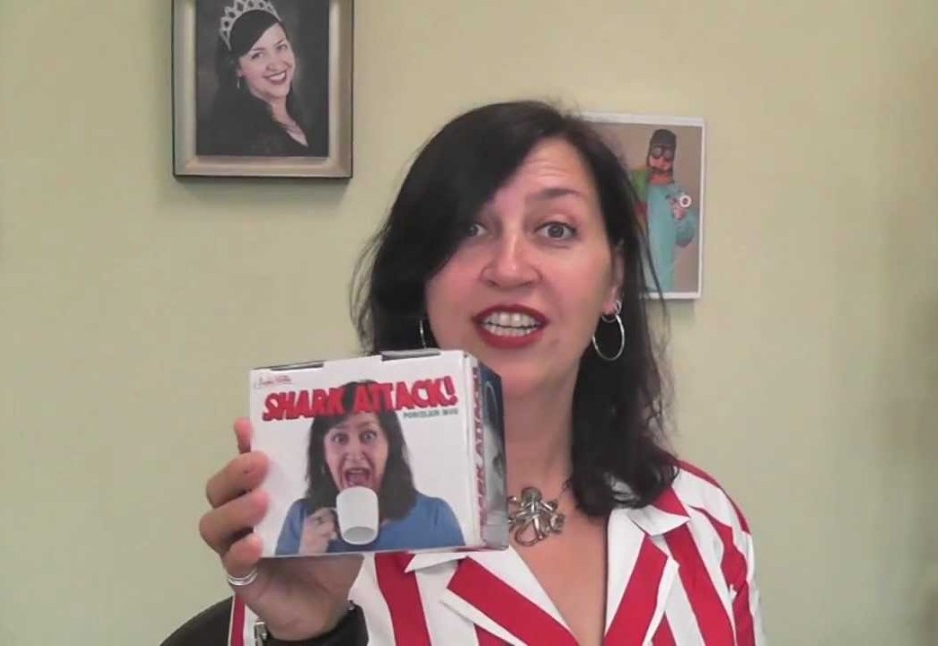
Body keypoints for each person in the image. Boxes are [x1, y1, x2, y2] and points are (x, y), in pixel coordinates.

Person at [190, 100, 765, 645]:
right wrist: (312, 637)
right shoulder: (316, 552)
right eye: (469, 229)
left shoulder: (703, 524)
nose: (510, 268)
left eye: (555, 229)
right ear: (421, 278)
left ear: (613, 279)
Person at [274, 380, 465, 556]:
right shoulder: (301, 519)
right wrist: (306, 556)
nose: (354, 452)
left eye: (368, 436)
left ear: (390, 446)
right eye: (340, 438)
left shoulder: (434, 517)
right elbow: (277, 583)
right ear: (322, 452)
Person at [198, 0, 326, 157]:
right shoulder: (250, 142)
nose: (276, 64)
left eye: (281, 47)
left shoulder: (300, 117)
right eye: (258, 55)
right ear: (237, 68)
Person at [629, 128, 700, 293]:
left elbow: (686, 237)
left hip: (661, 281)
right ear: (649, 152)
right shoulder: (634, 183)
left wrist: (680, 217)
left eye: (667, 157)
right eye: (656, 154)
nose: (660, 162)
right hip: (633, 276)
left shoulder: (676, 193)